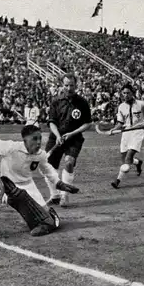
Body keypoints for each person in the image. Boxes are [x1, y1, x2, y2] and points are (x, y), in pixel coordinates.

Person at [0, 125, 79, 236]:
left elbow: (48, 170)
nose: (38, 142)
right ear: (25, 140)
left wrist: (59, 183)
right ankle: (32, 217)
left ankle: (47, 217)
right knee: (20, 196)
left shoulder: (40, 154)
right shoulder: (11, 147)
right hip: (8, 187)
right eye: (34, 139)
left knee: (48, 219)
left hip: (29, 185)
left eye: (40, 138)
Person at [44, 73, 92, 207]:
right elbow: (51, 122)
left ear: (76, 85)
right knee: (49, 167)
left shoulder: (82, 102)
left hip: (74, 138)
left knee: (69, 162)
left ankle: (65, 196)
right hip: (56, 138)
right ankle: (54, 196)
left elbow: (88, 123)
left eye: (72, 85)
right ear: (62, 85)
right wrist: (58, 136)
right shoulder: (56, 102)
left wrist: (72, 133)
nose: (69, 88)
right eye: (66, 85)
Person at [108, 83, 144, 189]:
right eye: (123, 93)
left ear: (132, 93)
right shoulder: (121, 107)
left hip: (138, 132)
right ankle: (138, 162)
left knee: (128, 157)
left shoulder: (141, 104)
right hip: (126, 133)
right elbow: (120, 123)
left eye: (128, 93)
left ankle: (117, 181)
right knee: (124, 159)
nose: (125, 95)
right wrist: (113, 130)